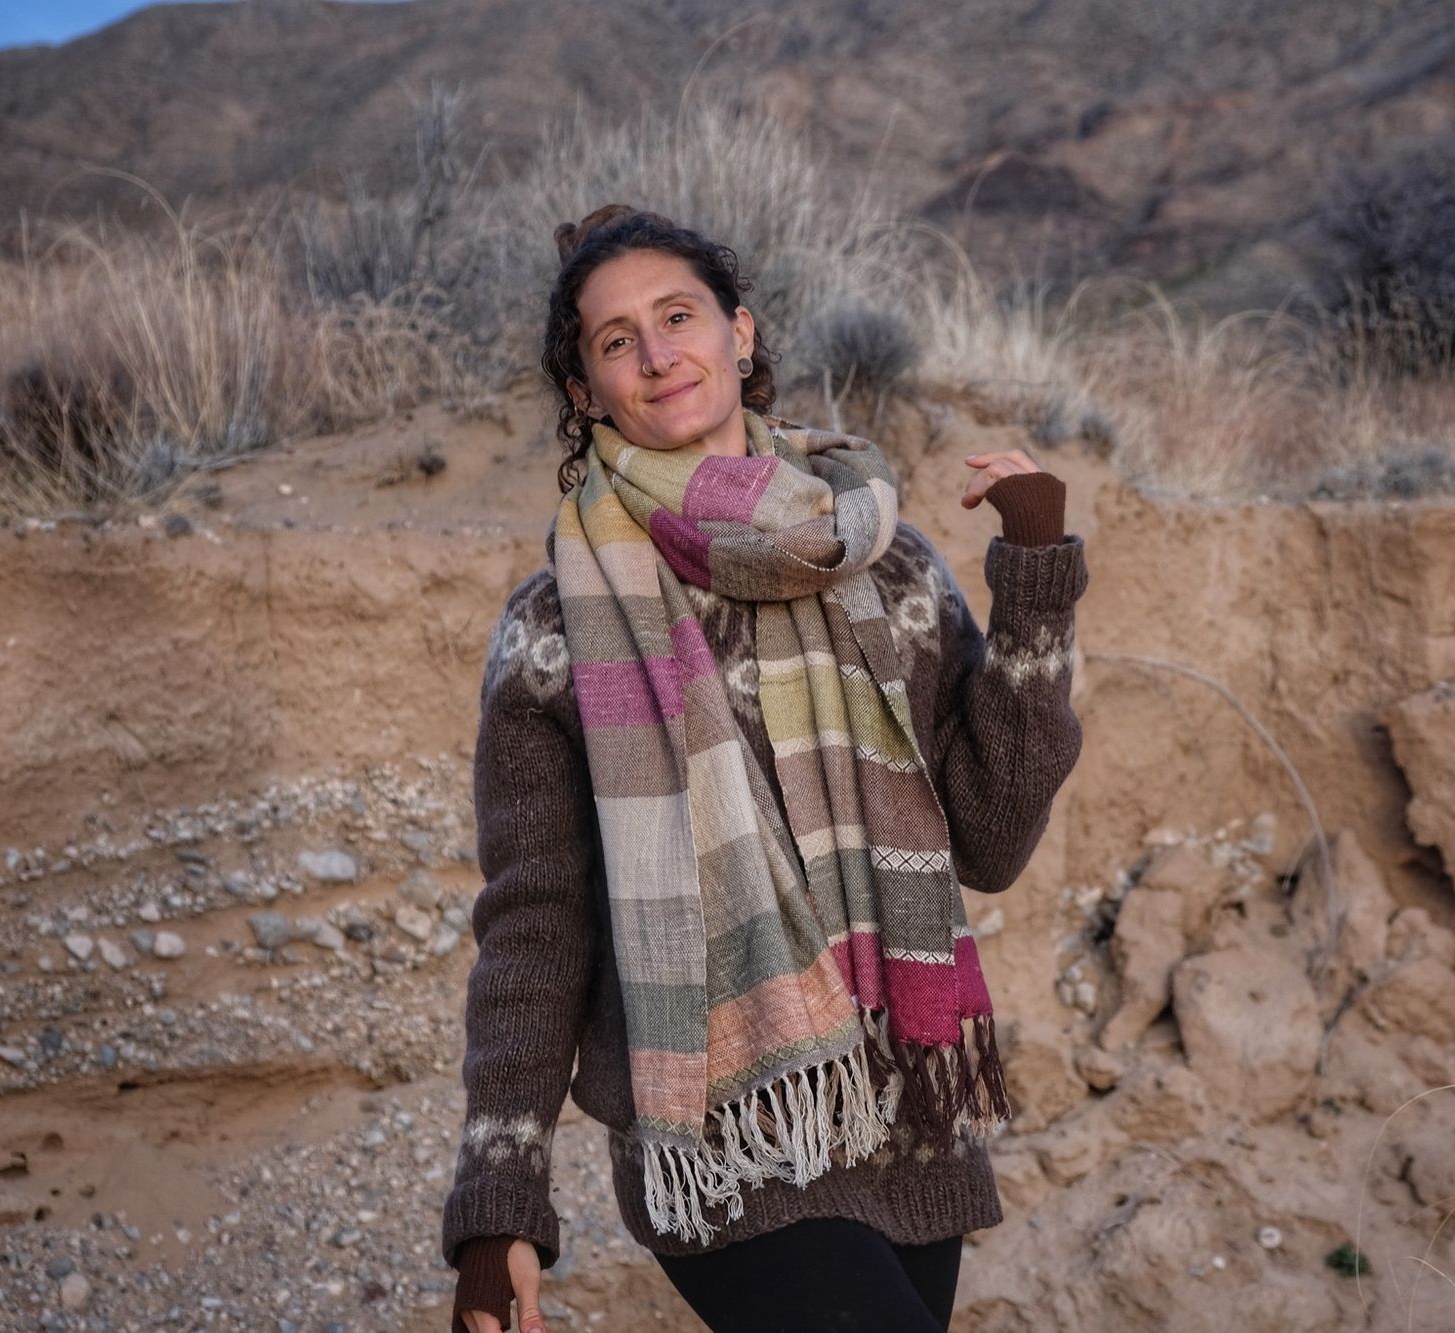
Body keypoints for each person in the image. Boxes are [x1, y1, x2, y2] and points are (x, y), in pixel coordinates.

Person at [440, 203, 1089, 1333]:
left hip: (903, 1101)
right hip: (723, 1130)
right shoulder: (556, 630)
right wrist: (500, 1199)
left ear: (739, 335)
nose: (655, 353)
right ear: (587, 392)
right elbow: (533, 922)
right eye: (613, 340)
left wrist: (1035, 580)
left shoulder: (882, 566)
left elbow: (988, 837)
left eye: (678, 315)